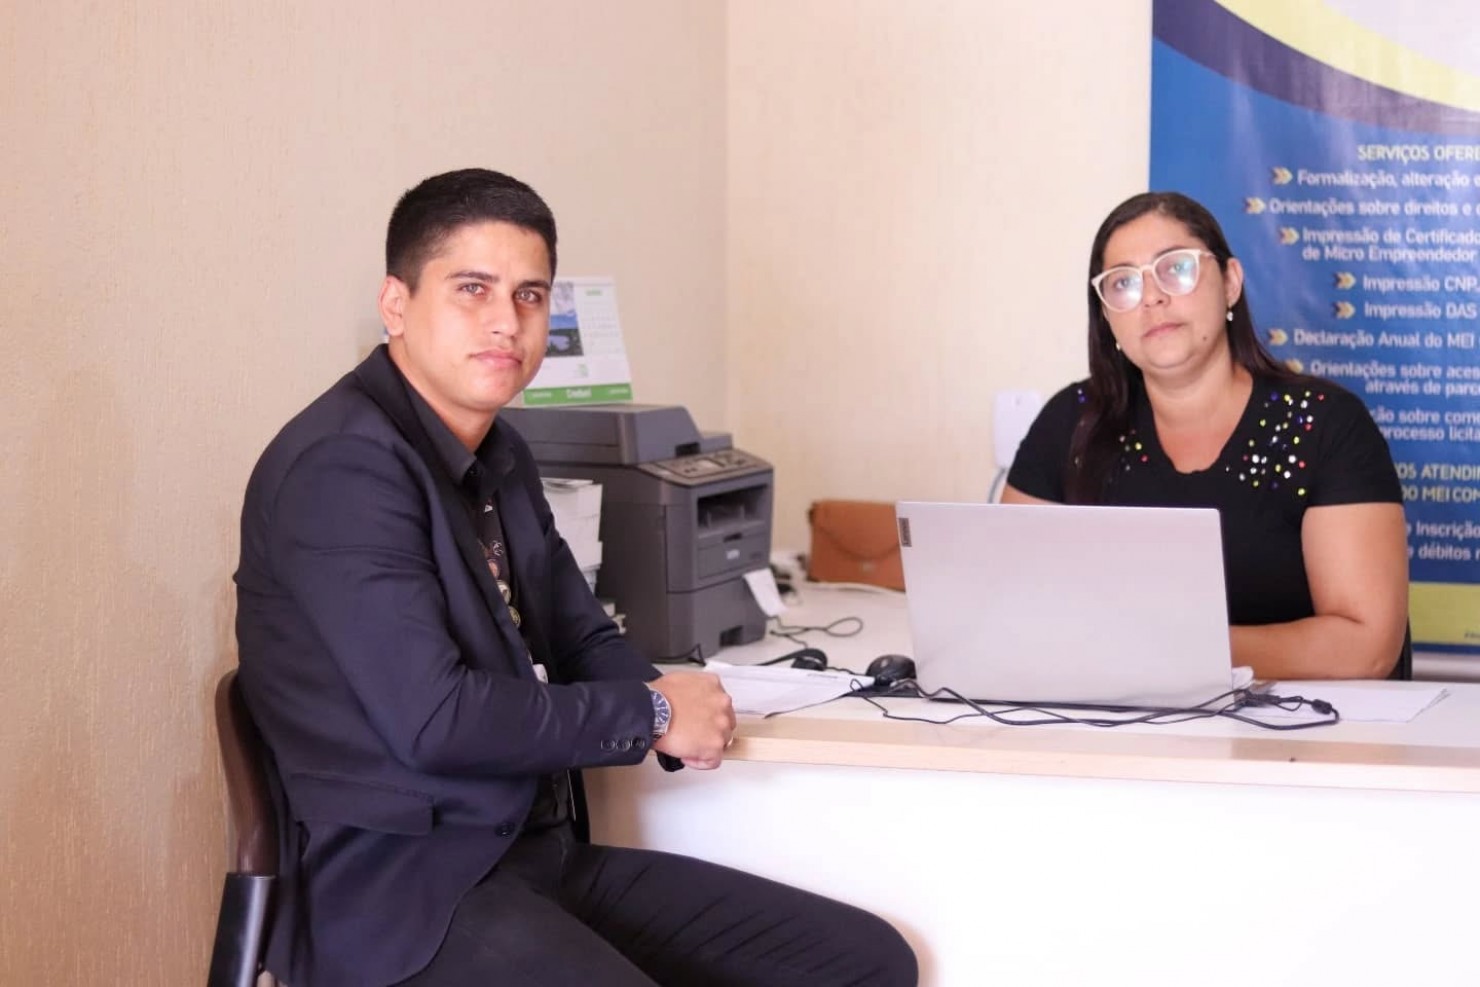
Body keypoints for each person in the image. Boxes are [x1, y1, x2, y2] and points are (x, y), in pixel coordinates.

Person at [234, 168, 917, 987]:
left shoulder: (500, 453)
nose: (505, 321)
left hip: (527, 856)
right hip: (399, 899)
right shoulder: (342, 466)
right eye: (472, 288)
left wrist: (680, 700)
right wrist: (652, 712)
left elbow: (580, 633)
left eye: (529, 295)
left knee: (865, 961)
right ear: (396, 304)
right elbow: (436, 719)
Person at [1004, 191, 1408, 680]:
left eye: (1176, 269)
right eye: (1124, 283)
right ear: (1107, 317)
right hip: (1115, 717)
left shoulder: (1325, 424)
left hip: (1297, 723)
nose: (1152, 297)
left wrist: (1167, 649)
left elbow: (1366, 648)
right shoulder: (1072, 422)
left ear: (1230, 283)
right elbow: (1006, 609)